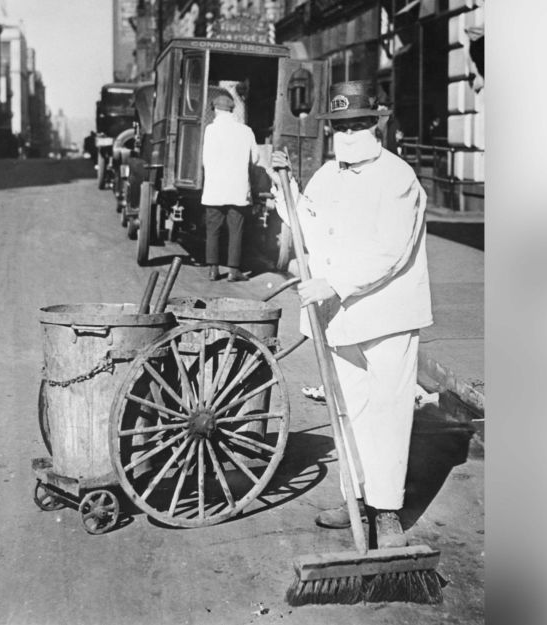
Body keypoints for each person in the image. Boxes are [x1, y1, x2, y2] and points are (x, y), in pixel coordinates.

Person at [270, 80, 433, 549]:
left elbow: (390, 252)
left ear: (374, 125)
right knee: (348, 412)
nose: (348, 132)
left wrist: (336, 282)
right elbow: (306, 227)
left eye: (357, 123)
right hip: (338, 316)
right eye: (340, 125)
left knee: (388, 411)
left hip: (386, 315)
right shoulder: (327, 175)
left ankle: (386, 511)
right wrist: (285, 188)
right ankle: (355, 499)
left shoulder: (397, 177)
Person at [201, 92, 258, 282]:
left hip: (214, 189)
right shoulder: (246, 131)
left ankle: (213, 270)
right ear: (232, 110)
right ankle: (233, 271)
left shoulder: (210, 130)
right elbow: (255, 159)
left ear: (215, 110)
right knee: (236, 229)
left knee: (213, 229)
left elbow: (204, 161)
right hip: (238, 188)